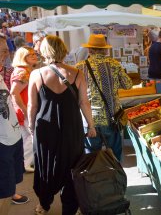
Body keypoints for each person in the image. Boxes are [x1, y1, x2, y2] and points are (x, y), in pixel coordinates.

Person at [27, 35, 96, 214]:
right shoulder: (77, 73)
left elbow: (32, 105)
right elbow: (84, 103)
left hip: (45, 129)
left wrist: (31, 126)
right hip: (72, 129)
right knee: (73, 168)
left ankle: (44, 204)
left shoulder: (36, 74)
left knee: (46, 167)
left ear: (44, 52)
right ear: (63, 50)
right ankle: (70, 208)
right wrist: (91, 125)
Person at [76, 34, 132, 161]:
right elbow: (128, 85)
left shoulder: (80, 67)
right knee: (115, 154)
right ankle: (116, 178)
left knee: (92, 156)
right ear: (106, 50)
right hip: (111, 118)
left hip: (89, 120)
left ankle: (94, 179)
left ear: (90, 50)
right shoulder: (114, 64)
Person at [0, 36, 28, 215]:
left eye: (5, 49)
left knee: (8, 191)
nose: (5, 53)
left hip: (12, 137)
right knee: (4, 193)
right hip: (2, 143)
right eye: (2, 49)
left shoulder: (2, 72)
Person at [10, 46, 38, 173]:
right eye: (30, 54)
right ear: (23, 57)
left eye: (34, 53)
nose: (34, 56)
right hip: (25, 110)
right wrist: (26, 110)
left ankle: (23, 164)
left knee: (27, 137)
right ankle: (26, 163)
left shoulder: (23, 70)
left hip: (23, 110)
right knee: (33, 137)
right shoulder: (23, 72)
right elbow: (14, 93)